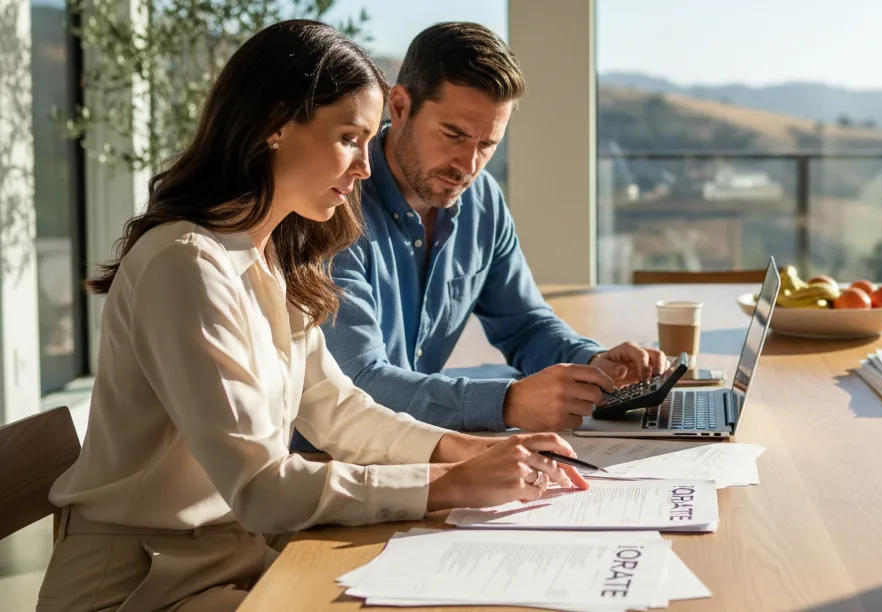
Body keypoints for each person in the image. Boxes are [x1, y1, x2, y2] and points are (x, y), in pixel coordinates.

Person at [36, 20, 585, 612]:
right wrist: (444, 485)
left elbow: (339, 411)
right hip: (138, 587)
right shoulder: (186, 263)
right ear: (274, 124)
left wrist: (460, 450)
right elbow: (261, 487)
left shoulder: (275, 253)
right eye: (350, 137)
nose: (365, 168)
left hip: (233, 559)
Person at [302, 22, 667, 444]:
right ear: (400, 106)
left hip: (421, 448)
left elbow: (525, 325)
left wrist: (591, 362)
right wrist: (508, 403)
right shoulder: (333, 205)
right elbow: (360, 385)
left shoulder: (481, 202)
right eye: (453, 135)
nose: (468, 165)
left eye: (487, 145)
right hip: (329, 463)